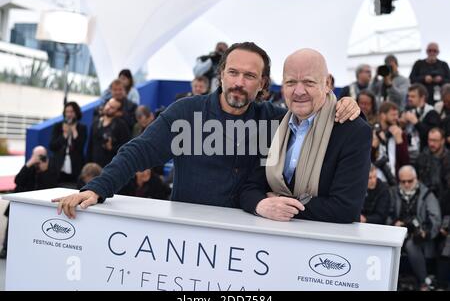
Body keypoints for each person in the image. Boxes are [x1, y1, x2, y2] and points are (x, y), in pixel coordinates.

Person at [53, 42, 360, 219]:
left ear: (263, 84)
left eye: (250, 76)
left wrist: (344, 104)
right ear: (221, 75)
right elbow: (138, 151)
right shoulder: (186, 113)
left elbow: (314, 111)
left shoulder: (275, 119)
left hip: (252, 239)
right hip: (189, 237)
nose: (239, 82)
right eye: (233, 72)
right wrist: (97, 188)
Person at [239, 48, 371, 223]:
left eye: (308, 82)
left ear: (328, 83)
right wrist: (261, 204)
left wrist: (280, 204)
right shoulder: (273, 127)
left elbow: (345, 207)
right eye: (291, 82)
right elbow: (250, 187)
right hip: (270, 239)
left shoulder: (353, 130)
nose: (299, 91)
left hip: (324, 245)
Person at [389, 165, 441, 291]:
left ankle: (424, 282)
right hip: (397, 233)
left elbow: (436, 219)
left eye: (410, 181)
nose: (406, 184)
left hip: (420, 238)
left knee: (412, 244)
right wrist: (393, 224)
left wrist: (425, 232)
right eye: (403, 181)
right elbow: (387, 214)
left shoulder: (426, 194)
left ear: (416, 178)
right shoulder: (393, 193)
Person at [49, 102, 87, 187]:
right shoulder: (58, 126)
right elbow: (52, 146)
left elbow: (80, 147)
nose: (69, 114)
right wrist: (64, 135)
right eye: (67, 112)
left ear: (76, 113)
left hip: (75, 166)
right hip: (59, 165)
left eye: (72, 112)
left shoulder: (82, 128)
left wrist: (74, 132)